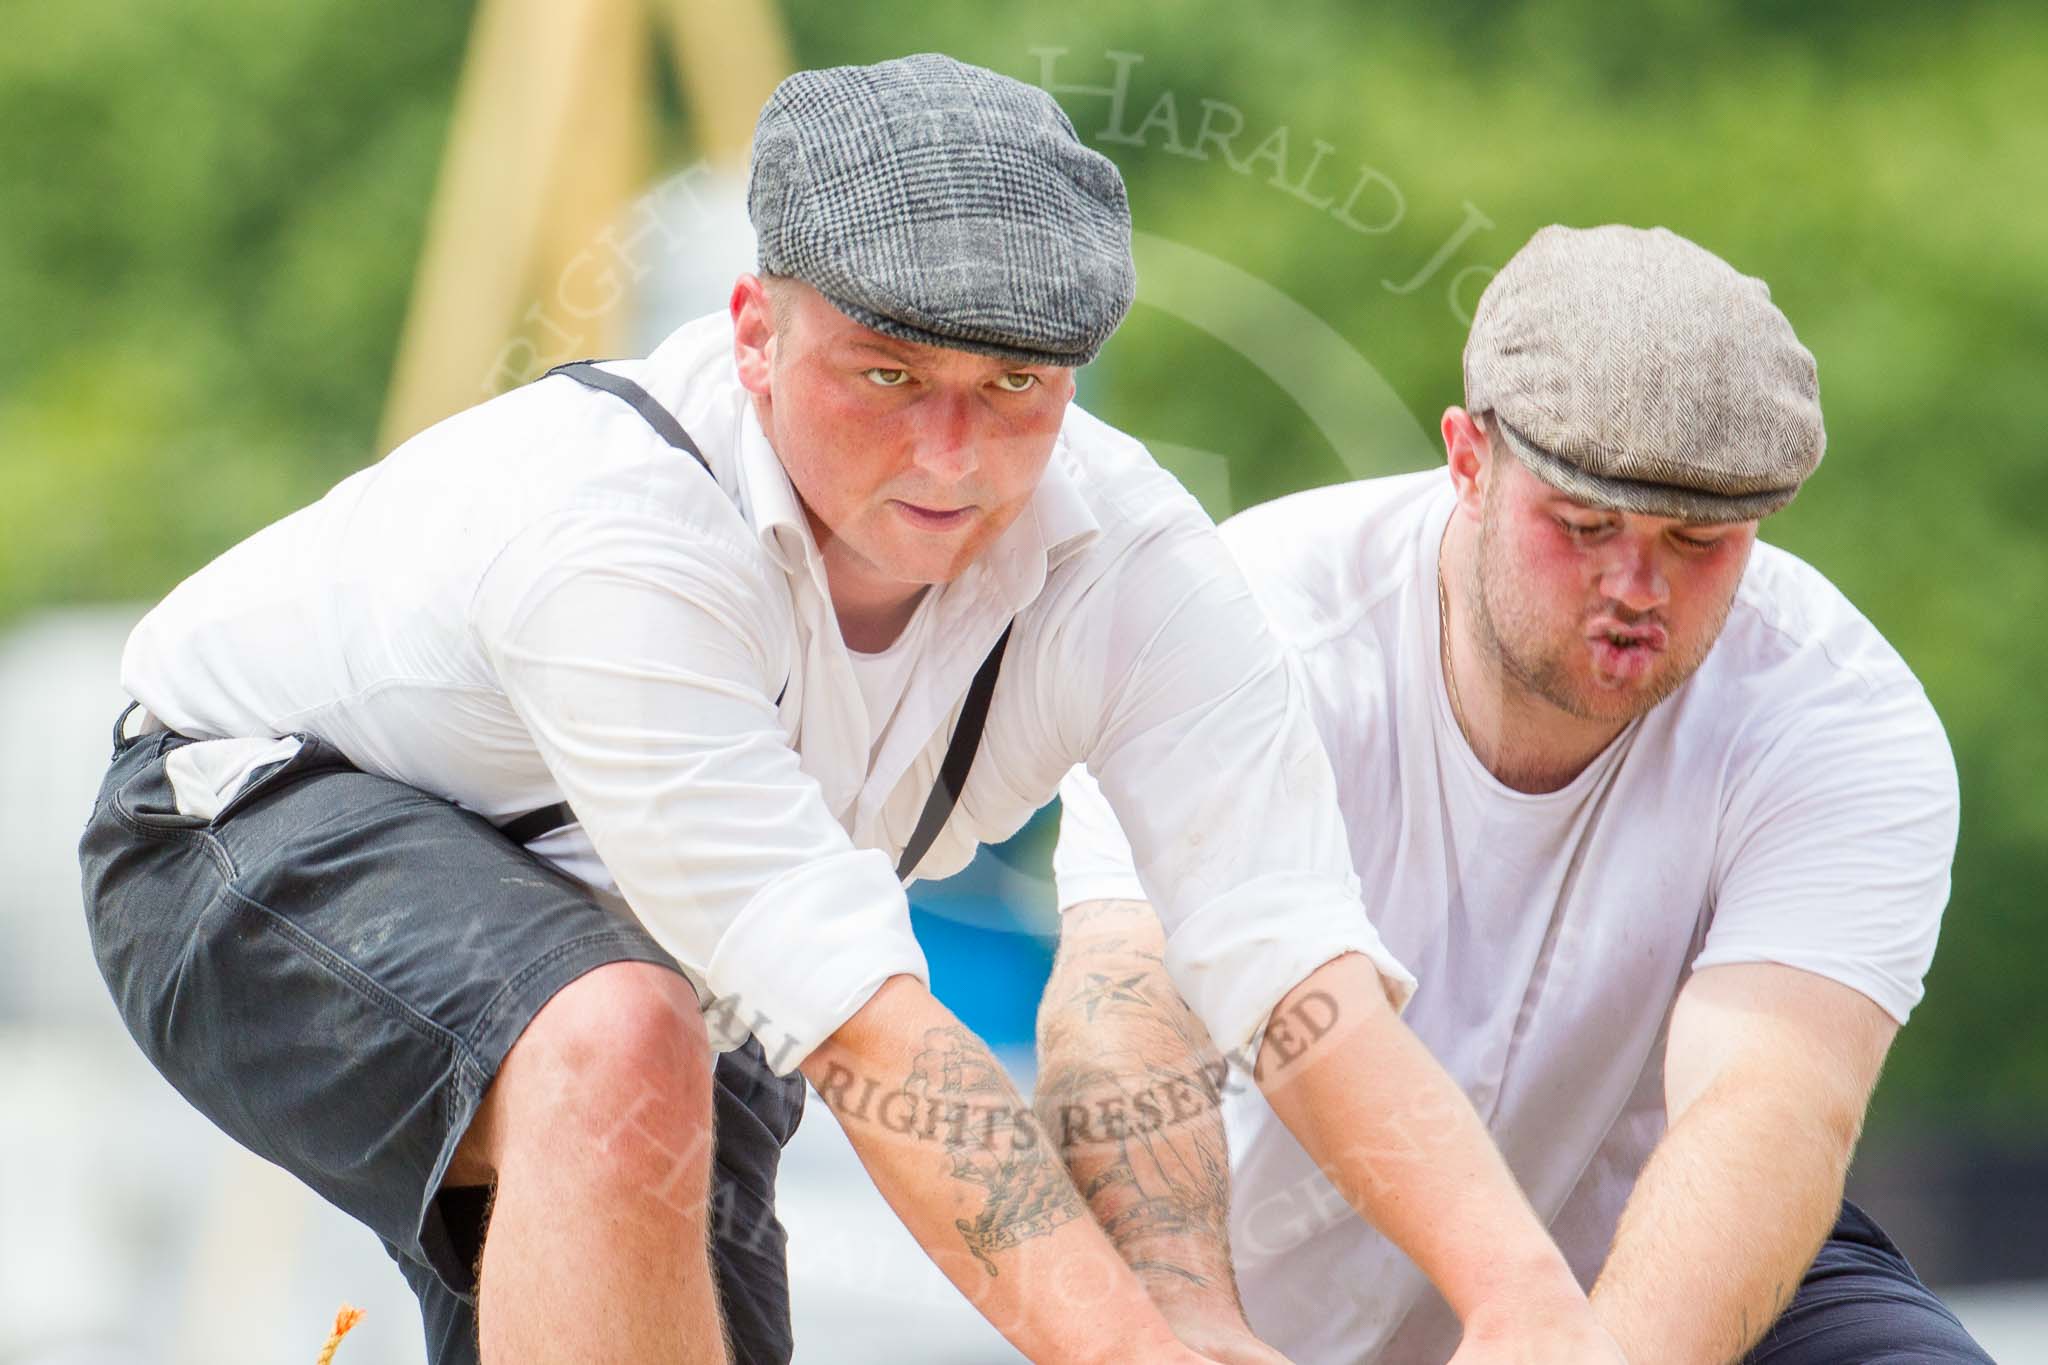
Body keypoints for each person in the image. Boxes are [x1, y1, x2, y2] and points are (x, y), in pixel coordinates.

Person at [78, 56, 1625, 1365]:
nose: (952, 458)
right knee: (615, 1044)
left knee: (647, 1070)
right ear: (756, 331)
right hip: (237, 827)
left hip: (665, 958)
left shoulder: (1140, 567)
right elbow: (867, 1030)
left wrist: (1534, 1309)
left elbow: (1294, 964)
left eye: (1013, 387)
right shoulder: (615, 532)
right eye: (887, 378)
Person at [1043, 223, 1993, 1364]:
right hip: (1261, 1283)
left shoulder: (1837, 712)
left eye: (1696, 543)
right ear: (1466, 461)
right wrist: (1177, 1318)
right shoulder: (1242, 625)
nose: (1633, 589)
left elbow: (1769, 1107)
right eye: (1584, 526)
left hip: (1645, 1283)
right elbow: (1122, 1002)